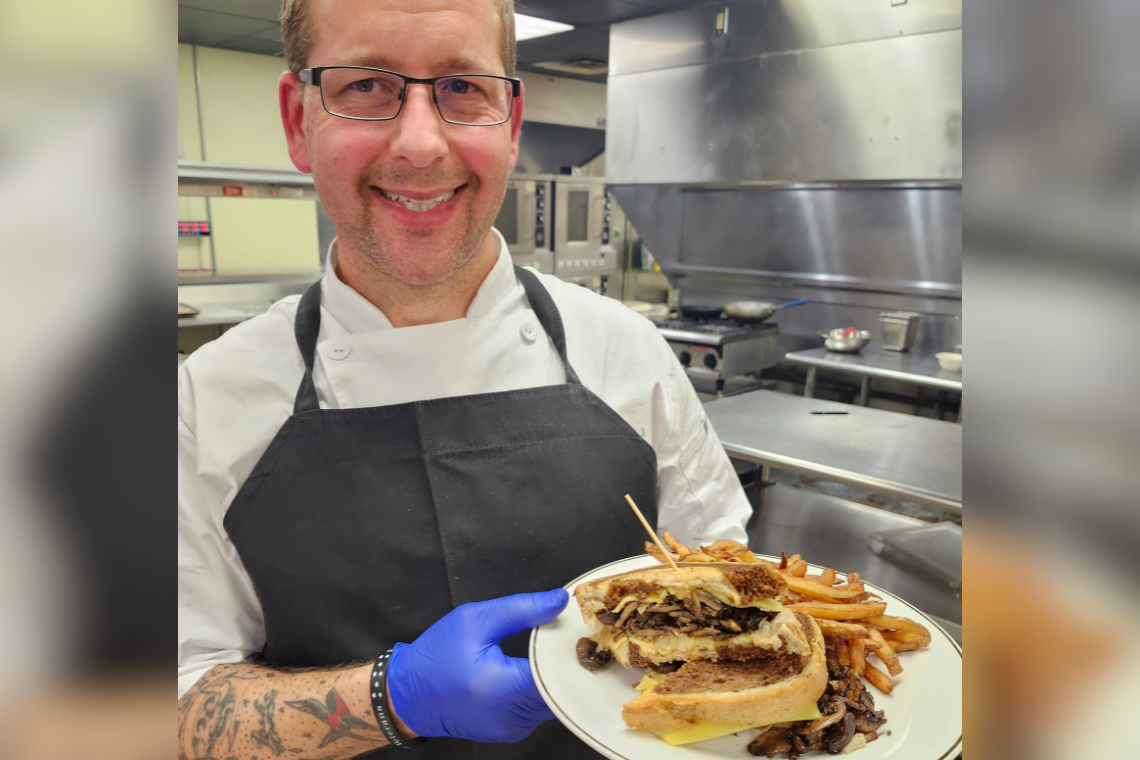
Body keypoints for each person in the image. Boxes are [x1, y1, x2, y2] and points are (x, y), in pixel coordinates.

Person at [177, 1, 751, 757]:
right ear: (297, 119)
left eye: (462, 88)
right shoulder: (204, 399)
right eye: (364, 87)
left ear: (511, 124)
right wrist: (390, 697)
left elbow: (734, 599)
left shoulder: (628, 353)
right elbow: (170, 704)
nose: (421, 144)